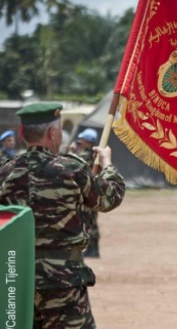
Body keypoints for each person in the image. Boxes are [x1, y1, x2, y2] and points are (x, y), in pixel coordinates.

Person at [0, 103, 126, 328]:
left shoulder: (6, 172)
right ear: (52, 133)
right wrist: (107, 164)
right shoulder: (72, 169)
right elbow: (110, 198)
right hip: (63, 280)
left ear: (21, 133)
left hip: (17, 280)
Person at [69, 128, 101, 258]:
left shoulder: (86, 155)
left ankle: (93, 249)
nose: (79, 142)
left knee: (89, 221)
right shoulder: (95, 154)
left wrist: (71, 152)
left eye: (81, 140)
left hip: (87, 192)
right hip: (94, 191)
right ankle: (93, 248)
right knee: (91, 220)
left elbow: (74, 166)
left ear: (86, 141)